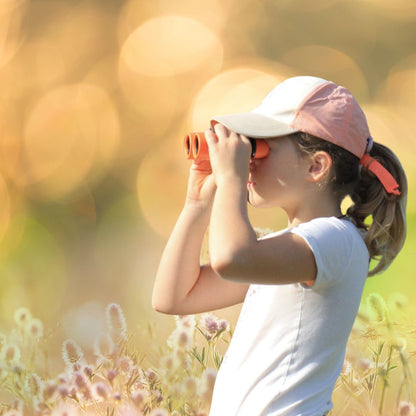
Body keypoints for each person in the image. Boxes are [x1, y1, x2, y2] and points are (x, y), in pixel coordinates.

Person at [152, 76, 407, 415]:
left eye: (261, 147)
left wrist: (230, 179)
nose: (249, 160)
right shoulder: (287, 250)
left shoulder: (336, 240)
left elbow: (233, 258)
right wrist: (197, 205)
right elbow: (173, 297)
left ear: (316, 166)